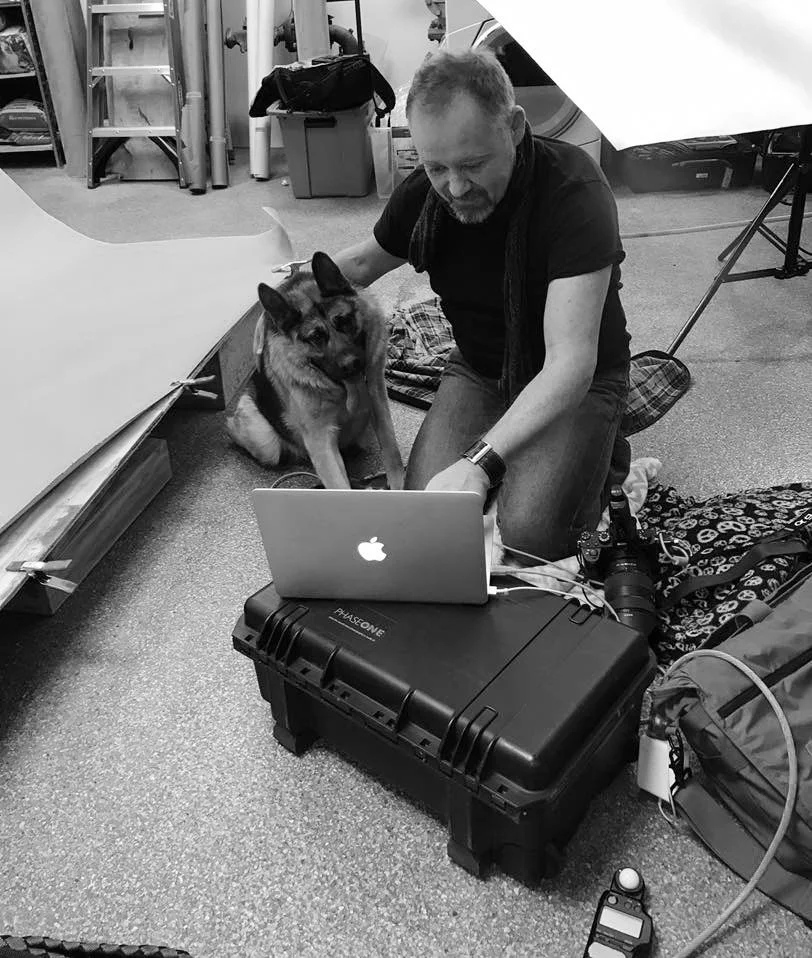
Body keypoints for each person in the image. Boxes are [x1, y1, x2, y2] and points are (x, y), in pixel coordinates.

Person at [334, 48, 631, 562]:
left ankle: (605, 453)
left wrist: (480, 462)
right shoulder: (424, 197)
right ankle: (543, 457)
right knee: (430, 515)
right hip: (479, 367)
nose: (454, 187)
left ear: (514, 127)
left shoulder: (574, 191)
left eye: (472, 164)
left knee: (528, 537)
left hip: (576, 380)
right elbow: (361, 265)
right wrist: (280, 291)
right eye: (435, 167)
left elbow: (570, 364)